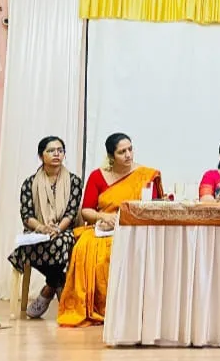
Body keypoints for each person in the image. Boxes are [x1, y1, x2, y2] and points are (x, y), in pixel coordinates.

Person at [58, 132, 163, 327]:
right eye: (122, 152)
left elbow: (154, 207)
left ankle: (132, 309)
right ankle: (101, 308)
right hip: (104, 227)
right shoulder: (98, 176)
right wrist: (103, 217)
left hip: (135, 228)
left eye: (130, 149)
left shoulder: (146, 175)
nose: (128, 155)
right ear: (111, 156)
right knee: (87, 249)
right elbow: (87, 210)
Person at [8, 136, 84, 319]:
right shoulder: (29, 183)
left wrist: (57, 229)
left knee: (60, 242)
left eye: (60, 150)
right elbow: (26, 215)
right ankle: (57, 284)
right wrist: (42, 228)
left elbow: (71, 213)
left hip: (64, 229)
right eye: (51, 151)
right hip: (38, 230)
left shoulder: (74, 181)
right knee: (27, 246)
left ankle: (48, 289)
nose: (56, 154)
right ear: (41, 155)